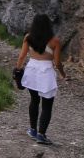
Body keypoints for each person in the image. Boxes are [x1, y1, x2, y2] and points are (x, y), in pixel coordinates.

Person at [15, 14, 67, 145]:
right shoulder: (54, 41)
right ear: (48, 25)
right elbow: (57, 62)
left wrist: (18, 70)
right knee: (47, 105)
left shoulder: (28, 37)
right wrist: (62, 74)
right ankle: (41, 135)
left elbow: (21, 57)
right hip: (45, 72)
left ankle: (32, 130)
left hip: (31, 70)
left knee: (34, 100)